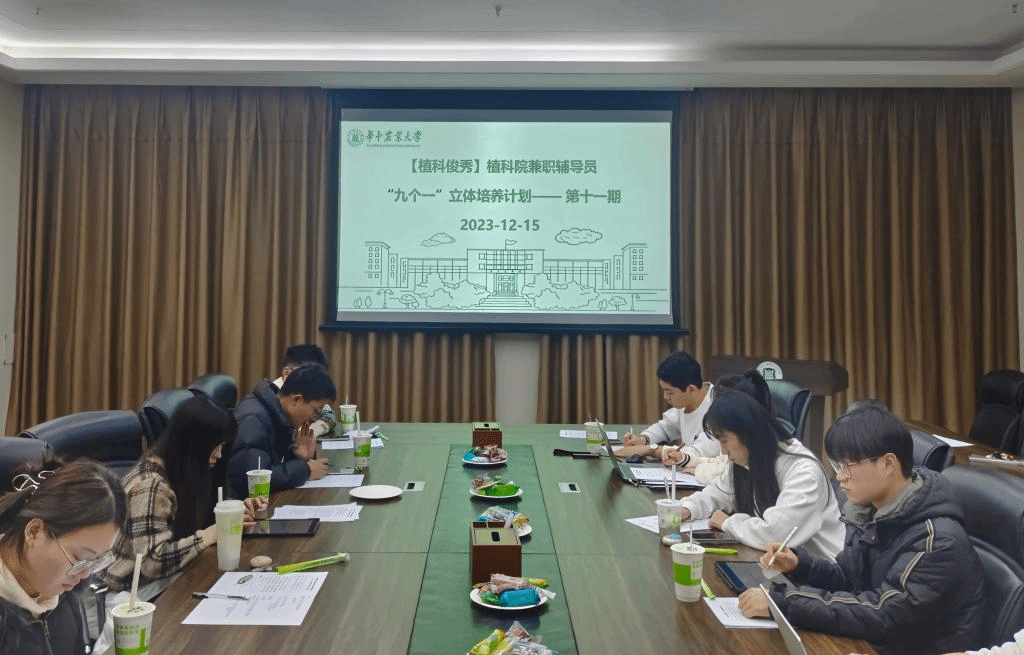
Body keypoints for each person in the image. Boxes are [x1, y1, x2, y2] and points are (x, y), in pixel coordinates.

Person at [739, 403, 985, 655]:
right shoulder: (875, 511)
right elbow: (849, 578)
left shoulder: (936, 541)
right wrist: (800, 565)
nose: (840, 477)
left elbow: (883, 613)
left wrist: (782, 604)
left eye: (848, 465)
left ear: (888, 464)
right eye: (837, 465)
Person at [99, 395, 264, 594]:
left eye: (222, 445)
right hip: (129, 591)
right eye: (215, 445)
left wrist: (234, 510)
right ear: (193, 444)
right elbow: (152, 562)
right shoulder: (151, 485)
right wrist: (208, 535)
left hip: (162, 579)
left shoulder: (183, 470)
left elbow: (194, 516)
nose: (219, 454)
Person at [674, 390, 844, 560]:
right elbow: (717, 493)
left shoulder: (804, 472)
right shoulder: (748, 459)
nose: (723, 451)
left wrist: (727, 522)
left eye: (724, 441)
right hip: (774, 562)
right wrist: (686, 509)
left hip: (820, 570)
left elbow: (774, 535)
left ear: (747, 434)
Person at [0, 458, 126, 655]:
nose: (84, 574)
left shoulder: (66, 600)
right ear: (34, 531)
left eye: (97, 561)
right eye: (78, 558)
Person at [227, 363, 337, 498]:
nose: (313, 419)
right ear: (296, 400)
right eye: (315, 411)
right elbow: (255, 478)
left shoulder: (279, 414)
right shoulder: (253, 420)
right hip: (240, 504)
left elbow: (272, 463)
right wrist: (306, 470)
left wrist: (298, 456)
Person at [667, 369, 775, 482]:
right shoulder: (736, 437)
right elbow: (721, 462)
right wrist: (685, 459)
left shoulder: (764, 452)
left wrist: (698, 471)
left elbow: (727, 475)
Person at [617, 351, 719, 463]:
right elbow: (664, 428)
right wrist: (643, 440)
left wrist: (651, 450)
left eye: (670, 392)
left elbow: (696, 453)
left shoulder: (718, 408)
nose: (665, 397)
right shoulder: (688, 401)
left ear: (691, 389)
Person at [272, 344, 336, 438]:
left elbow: (330, 415)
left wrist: (311, 431)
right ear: (286, 373)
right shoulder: (274, 397)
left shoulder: (310, 396)